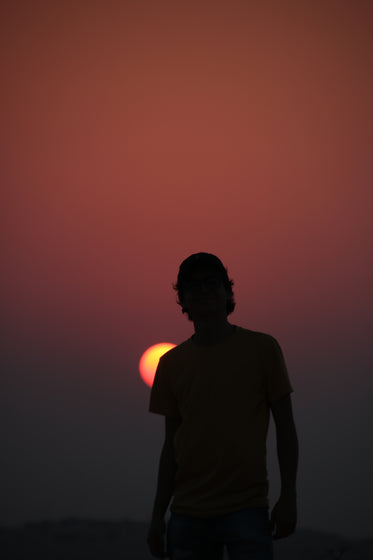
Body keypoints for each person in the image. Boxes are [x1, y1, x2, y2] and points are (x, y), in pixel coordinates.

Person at [147, 253, 298, 559]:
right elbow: (171, 447)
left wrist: (289, 496)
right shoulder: (170, 364)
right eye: (193, 285)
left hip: (248, 507)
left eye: (211, 283)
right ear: (183, 300)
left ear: (228, 291)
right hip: (188, 511)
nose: (203, 291)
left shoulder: (262, 349)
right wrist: (156, 516)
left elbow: (286, 428)